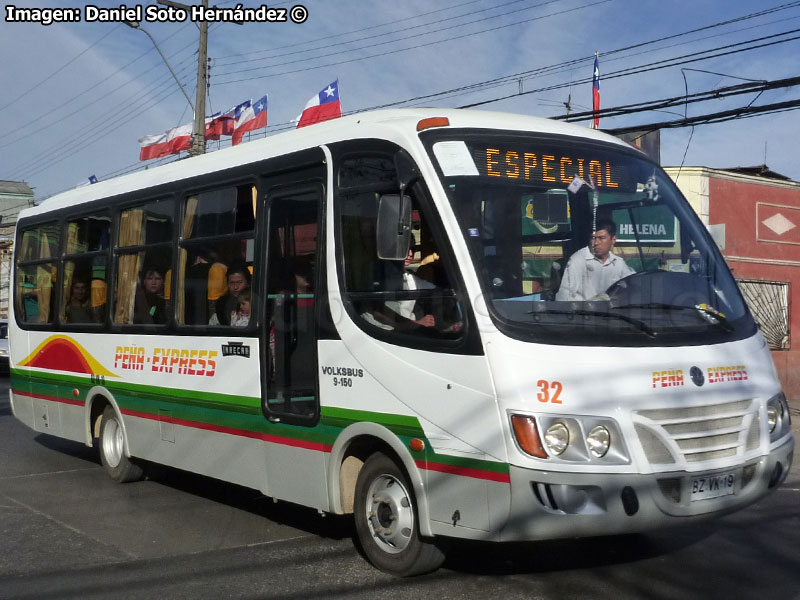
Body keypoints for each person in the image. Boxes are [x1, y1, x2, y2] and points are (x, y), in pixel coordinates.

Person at [556, 219, 634, 301]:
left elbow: (635, 285)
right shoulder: (578, 260)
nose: (596, 243)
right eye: (593, 238)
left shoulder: (618, 263)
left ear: (613, 240)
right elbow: (563, 297)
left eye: (601, 238)